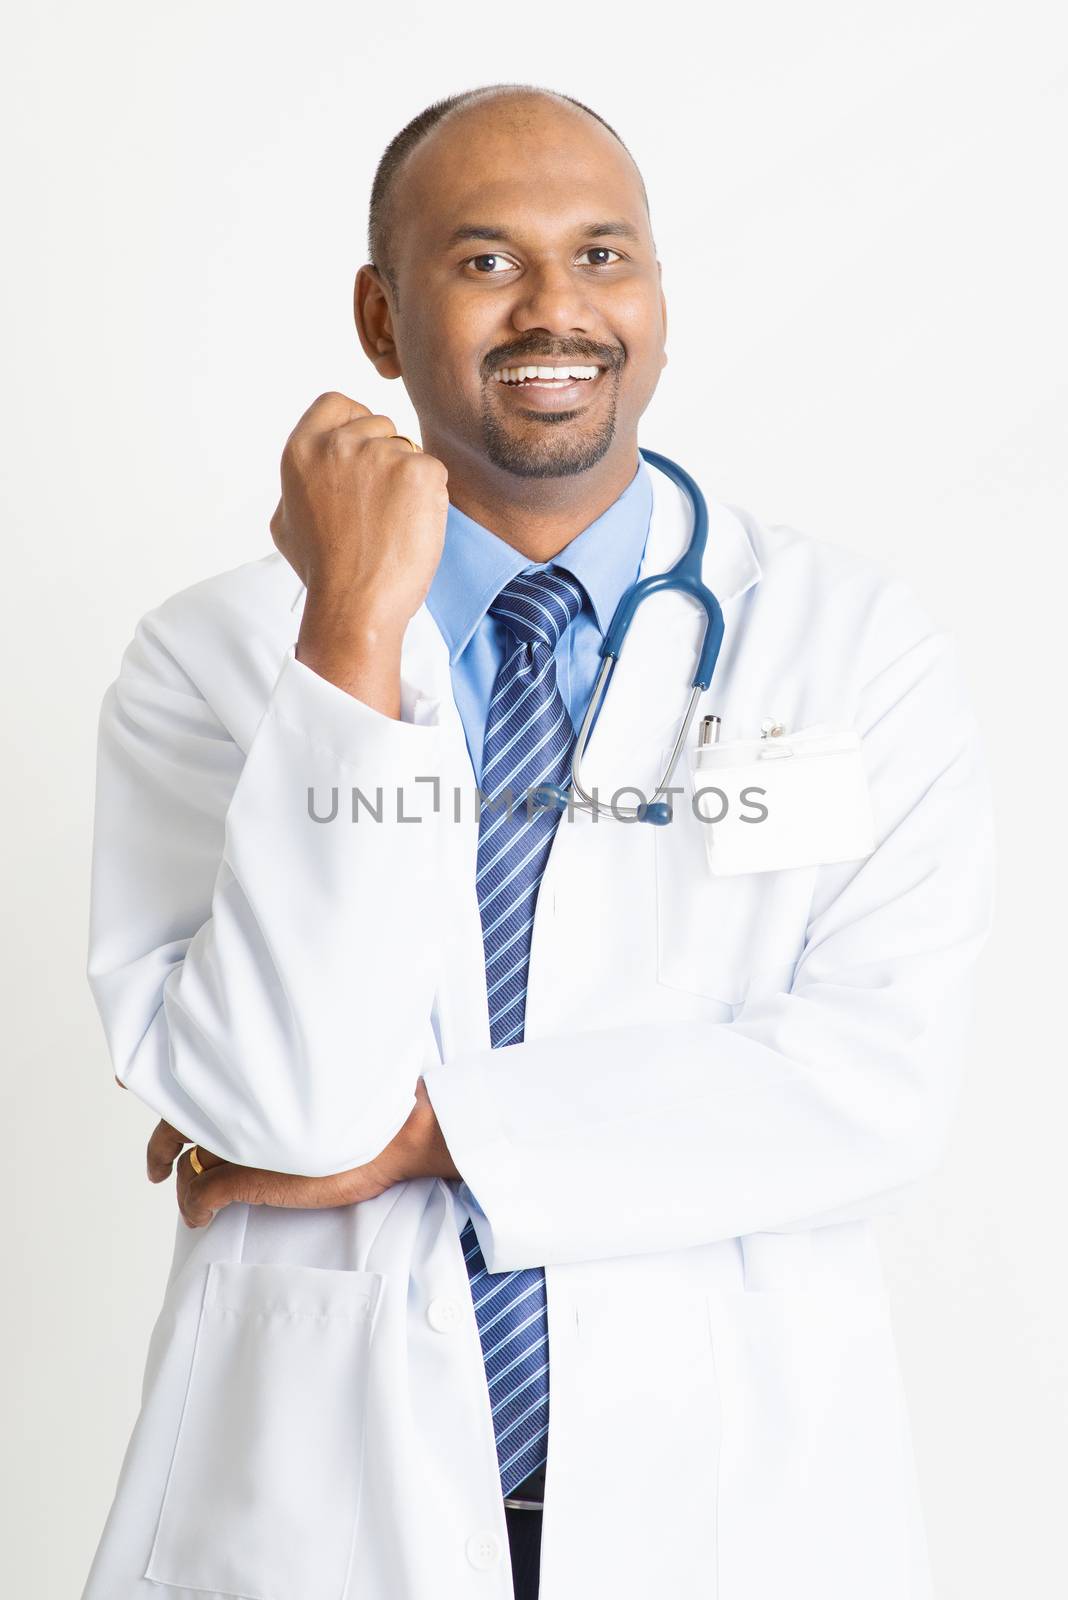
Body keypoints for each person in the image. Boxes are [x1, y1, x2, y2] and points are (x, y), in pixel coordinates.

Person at [81, 81, 995, 1600]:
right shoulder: (213, 664)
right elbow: (290, 1109)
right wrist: (353, 638)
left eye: (604, 255)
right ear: (381, 318)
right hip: (317, 1501)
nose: (555, 311)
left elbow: (875, 1084)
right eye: (486, 261)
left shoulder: (848, 646)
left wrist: (438, 1135)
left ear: (656, 294)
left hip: (731, 1495)